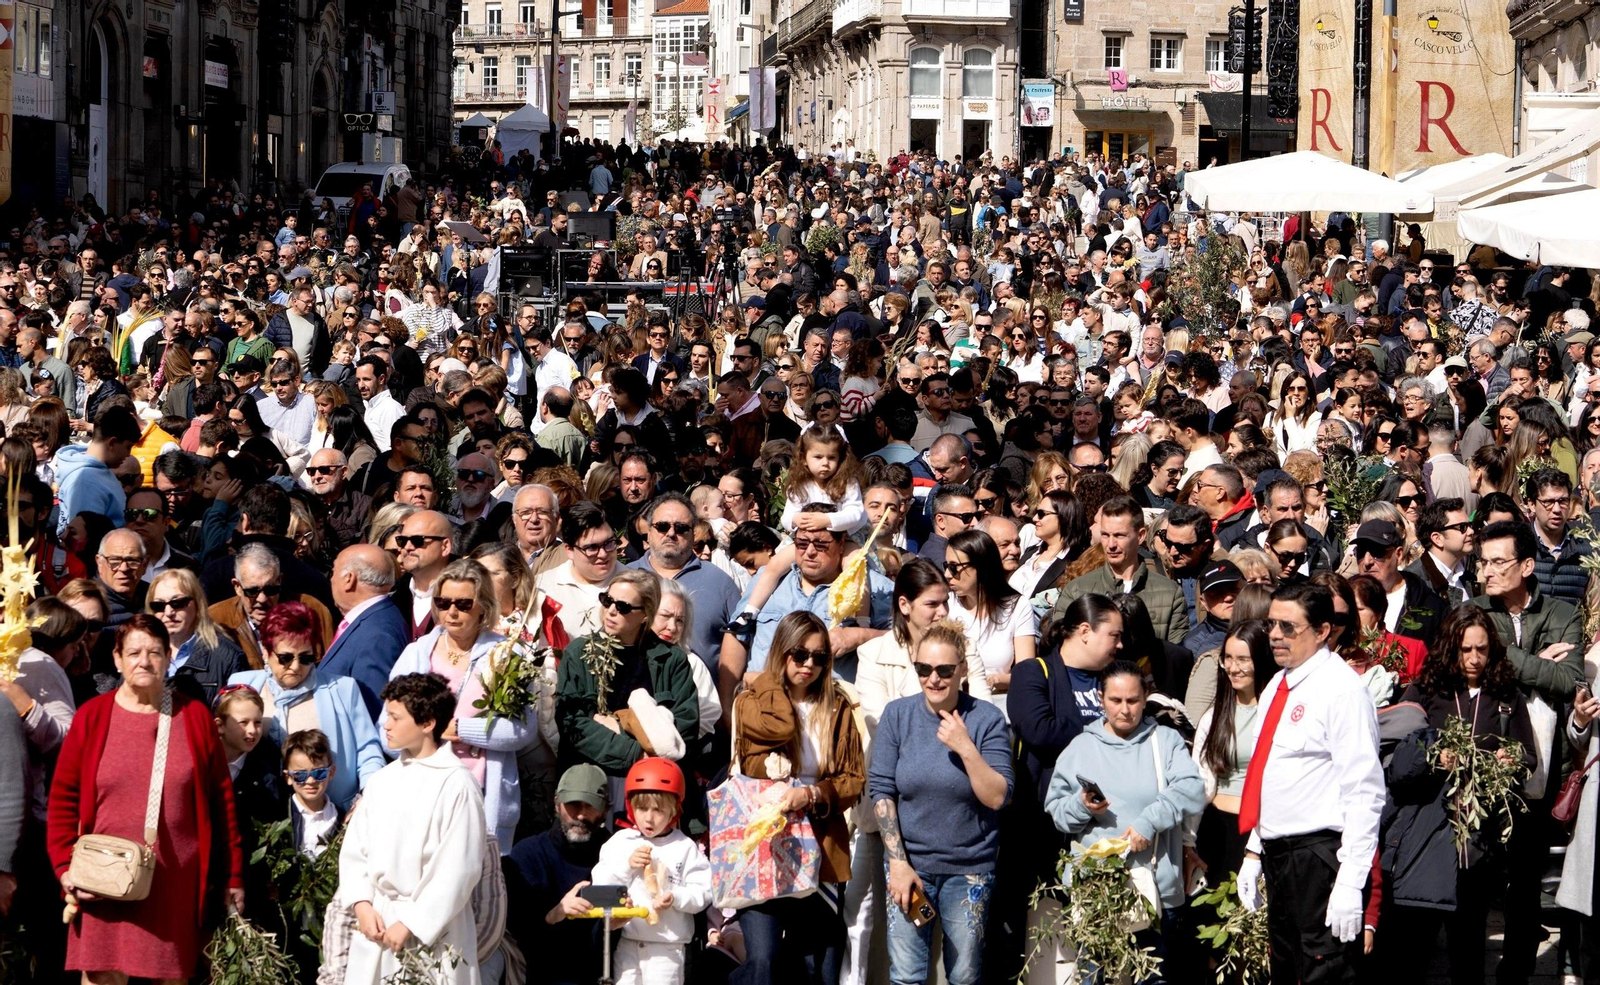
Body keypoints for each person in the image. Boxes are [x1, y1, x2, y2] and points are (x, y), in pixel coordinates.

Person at [46, 615, 246, 983]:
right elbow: (62, 799)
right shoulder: (93, 716)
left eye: (154, 652)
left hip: (174, 883)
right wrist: (64, 867)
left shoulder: (195, 717)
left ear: (168, 658)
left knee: (169, 977)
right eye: (134, 652)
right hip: (102, 878)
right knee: (102, 977)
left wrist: (233, 875)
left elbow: (222, 803)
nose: (144, 661)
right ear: (118, 659)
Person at [1236, 582, 1385, 985]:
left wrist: (1352, 882)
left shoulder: (1341, 690)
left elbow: (1364, 792)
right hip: (1279, 854)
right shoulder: (1277, 685)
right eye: (1272, 625)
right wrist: (1254, 851)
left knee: (1325, 971)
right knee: (1286, 968)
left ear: (1322, 631)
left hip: (1320, 858)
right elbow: (1269, 772)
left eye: (1289, 627)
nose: (1276, 636)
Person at [1379, 606, 1534, 985]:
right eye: (1466, 650)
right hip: (1427, 835)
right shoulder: (1428, 690)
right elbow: (1397, 757)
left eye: (1482, 649)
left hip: (1477, 841)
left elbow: (1527, 755)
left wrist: (1508, 758)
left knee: (1468, 946)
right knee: (1414, 946)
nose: (1474, 658)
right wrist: (1435, 757)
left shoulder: (1505, 695)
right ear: (1451, 648)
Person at [868, 620, 1012, 985]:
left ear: (962, 669)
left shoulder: (987, 719)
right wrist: (898, 864)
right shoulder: (898, 716)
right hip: (910, 870)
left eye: (945, 670)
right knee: (906, 974)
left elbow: (998, 797)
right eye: (924, 669)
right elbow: (881, 791)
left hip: (969, 869)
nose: (934, 679)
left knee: (964, 976)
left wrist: (965, 747)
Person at [731, 612, 865, 985]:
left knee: (815, 969)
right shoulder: (753, 702)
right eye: (799, 654)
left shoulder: (838, 705)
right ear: (781, 652)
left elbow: (853, 779)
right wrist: (771, 683)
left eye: (820, 658)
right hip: (766, 843)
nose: (809, 665)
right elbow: (749, 763)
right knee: (763, 961)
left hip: (821, 844)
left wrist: (809, 794)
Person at [1045, 659, 1207, 967]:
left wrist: (1149, 822)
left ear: (1145, 698)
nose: (1124, 709)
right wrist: (1082, 806)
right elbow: (1057, 812)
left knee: (1152, 976)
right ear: (1100, 698)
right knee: (1093, 974)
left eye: (1133, 700)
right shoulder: (1081, 747)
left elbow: (1192, 789)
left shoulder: (1165, 740)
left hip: (1156, 887)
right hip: (1096, 890)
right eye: (1115, 700)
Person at [337, 672, 488, 985]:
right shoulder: (381, 781)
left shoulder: (456, 784)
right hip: (378, 923)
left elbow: (459, 868)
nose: (386, 725)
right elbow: (355, 852)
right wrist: (362, 904)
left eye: (395, 717)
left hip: (433, 932)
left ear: (427, 723)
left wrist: (412, 922)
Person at [384, 558, 532, 851]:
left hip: (481, 793)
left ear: (483, 606)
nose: (451, 612)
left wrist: (460, 729)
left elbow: (521, 731)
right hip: (421, 788)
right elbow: (385, 729)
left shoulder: (506, 655)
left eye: (463, 604)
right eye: (443, 602)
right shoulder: (416, 653)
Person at [226, 601, 384, 811]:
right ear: (266, 651)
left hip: (330, 814)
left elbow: (368, 751)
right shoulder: (243, 685)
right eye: (285, 658)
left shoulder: (343, 689)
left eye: (306, 658)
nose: (296, 666)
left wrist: (367, 798)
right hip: (257, 815)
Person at [555, 569, 699, 776]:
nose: (611, 611)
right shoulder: (579, 653)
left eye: (622, 607)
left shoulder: (671, 659)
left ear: (645, 615)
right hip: (590, 777)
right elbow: (571, 721)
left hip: (653, 779)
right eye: (607, 600)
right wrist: (635, 753)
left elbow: (685, 726)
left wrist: (618, 726)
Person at [588, 757, 713, 985]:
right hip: (628, 941)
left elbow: (703, 892)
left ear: (674, 810)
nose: (649, 817)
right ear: (630, 806)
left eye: (658, 810)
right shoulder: (621, 842)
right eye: (642, 808)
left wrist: (675, 896)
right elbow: (600, 886)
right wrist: (627, 865)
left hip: (667, 947)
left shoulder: (684, 847)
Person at [503, 764, 612, 985]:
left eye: (590, 805)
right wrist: (555, 914)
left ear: (605, 811)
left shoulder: (616, 855)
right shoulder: (528, 855)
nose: (581, 814)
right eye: (573, 804)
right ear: (556, 804)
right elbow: (516, 931)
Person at [1187, 620, 1276, 884]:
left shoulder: (1275, 714)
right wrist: (1187, 841)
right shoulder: (1213, 718)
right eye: (1228, 658)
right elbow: (1200, 781)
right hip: (1215, 830)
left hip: (1260, 830)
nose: (1233, 668)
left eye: (1243, 659)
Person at [323, 544, 412, 719]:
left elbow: (371, 712)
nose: (331, 579)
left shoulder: (378, 635)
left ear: (349, 579)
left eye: (334, 571)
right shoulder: (375, 618)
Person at [146, 568, 247, 707]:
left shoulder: (228, 657)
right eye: (159, 605)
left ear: (198, 605)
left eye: (178, 603)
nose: (168, 612)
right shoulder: (139, 656)